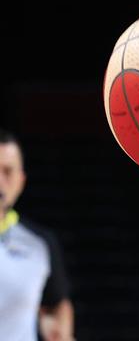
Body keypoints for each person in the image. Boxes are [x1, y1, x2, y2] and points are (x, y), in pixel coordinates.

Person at [0, 130, 75, 341]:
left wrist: (58, 328)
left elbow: (55, 305)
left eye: (7, 171)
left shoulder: (40, 244)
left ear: (20, 181)